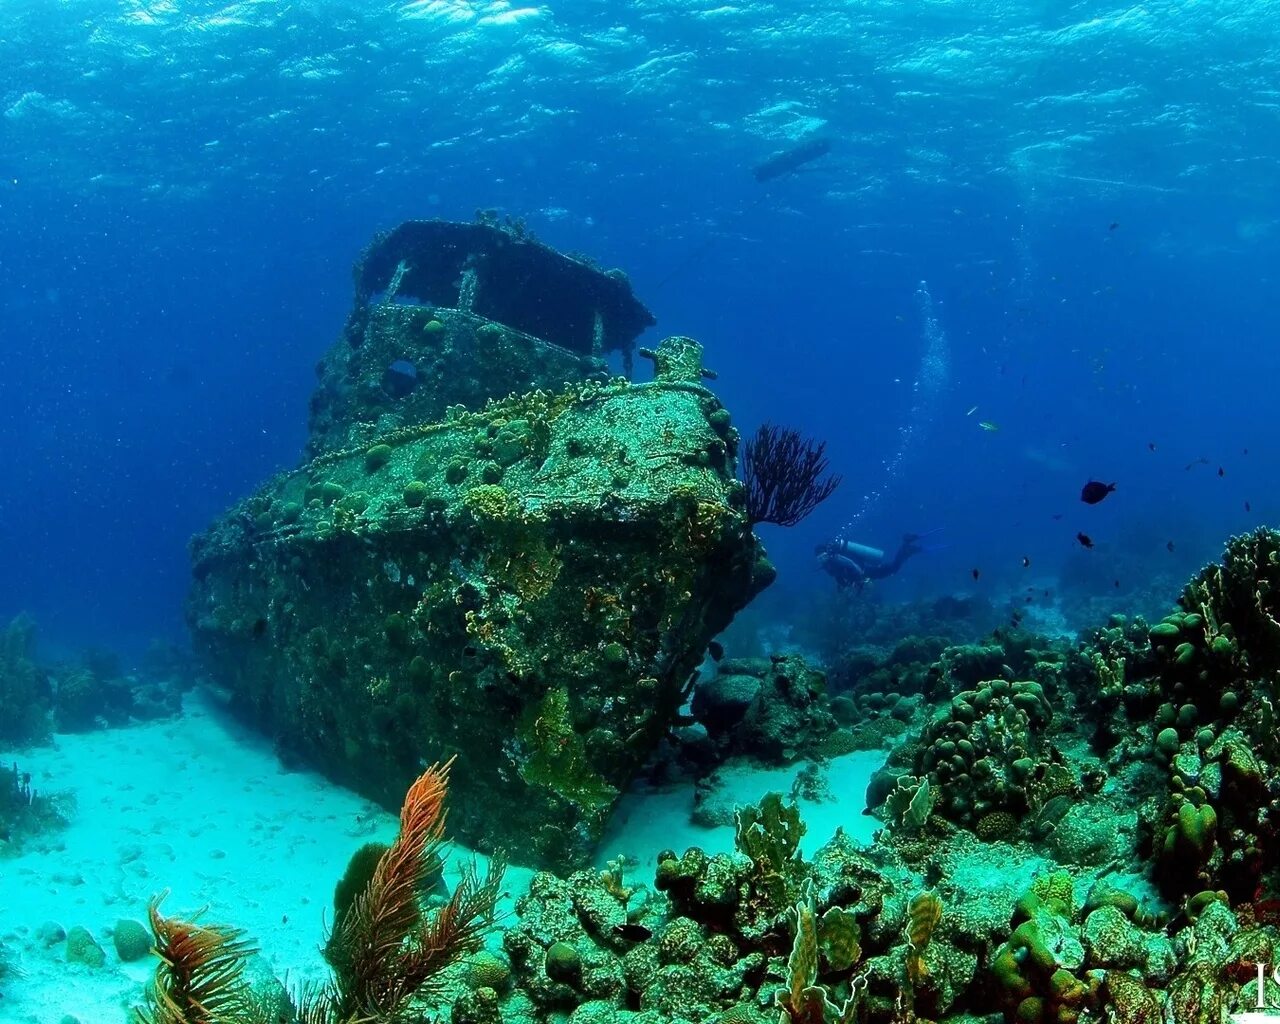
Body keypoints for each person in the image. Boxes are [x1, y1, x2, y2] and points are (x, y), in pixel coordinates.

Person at [815, 533, 926, 590]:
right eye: (819, 558)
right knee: (892, 569)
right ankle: (907, 550)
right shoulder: (828, 566)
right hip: (865, 573)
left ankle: (905, 545)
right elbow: (838, 575)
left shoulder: (835, 559)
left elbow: (851, 565)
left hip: (866, 570)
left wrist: (860, 578)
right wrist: (842, 585)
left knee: (893, 568)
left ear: (827, 554)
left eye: (823, 556)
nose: (822, 559)